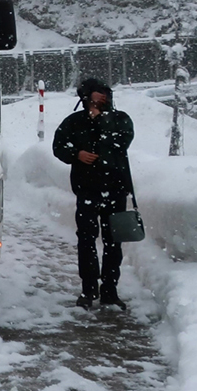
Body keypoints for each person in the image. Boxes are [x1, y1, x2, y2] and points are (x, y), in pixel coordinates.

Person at [53, 78, 136, 310]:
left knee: (113, 242)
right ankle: (88, 290)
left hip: (115, 189)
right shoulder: (74, 121)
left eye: (106, 94)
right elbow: (58, 146)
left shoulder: (120, 119)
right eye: (98, 94)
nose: (103, 98)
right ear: (86, 97)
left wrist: (101, 120)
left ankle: (110, 291)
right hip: (87, 189)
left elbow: (120, 143)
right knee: (86, 240)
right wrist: (76, 154)